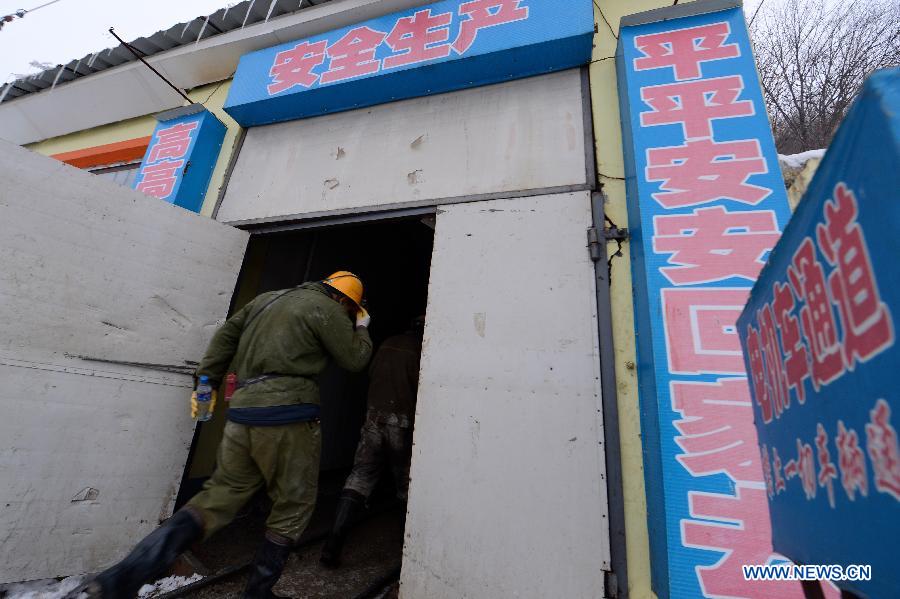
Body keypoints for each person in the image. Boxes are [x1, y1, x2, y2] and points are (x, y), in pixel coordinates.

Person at [79, 271, 373, 599]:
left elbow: (225, 338)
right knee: (294, 503)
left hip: (242, 415)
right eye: (351, 309)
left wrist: (207, 380)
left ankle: (117, 581)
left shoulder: (266, 299)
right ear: (345, 300)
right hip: (288, 417)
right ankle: (257, 594)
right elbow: (355, 359)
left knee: (218, 496)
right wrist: (360, 327)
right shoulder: (328, 309)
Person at [319, 316, 424, 568]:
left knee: (360, 477)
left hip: (373, 419)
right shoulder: (423, 351)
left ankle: (331, 548)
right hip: (403, 424)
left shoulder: (388, 343)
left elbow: (372, 373)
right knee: (405, 486)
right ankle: (405, 559)